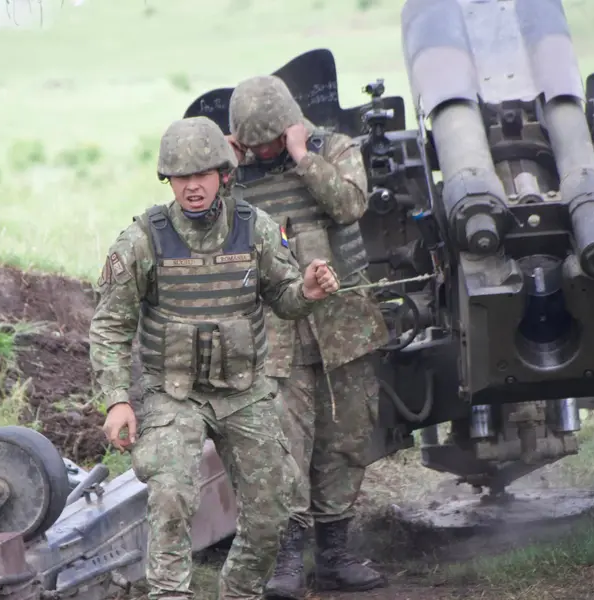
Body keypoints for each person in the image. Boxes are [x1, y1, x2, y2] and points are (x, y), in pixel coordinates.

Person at [89, 115, 341, 600]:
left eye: (201, 175)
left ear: (224, 176)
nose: (192, 187)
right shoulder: (144, 239)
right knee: (171, 496)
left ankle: (241, 591)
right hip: (173, 393)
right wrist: (117, 399)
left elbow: (285, 298)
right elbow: (110, 324)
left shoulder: (256, 230)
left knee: (275, 509)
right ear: (169, 182)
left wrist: (307, 290)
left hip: (245, 391)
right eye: (181, 178)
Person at [226, 75, 392, 597]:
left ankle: (337, 554)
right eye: (250, 144)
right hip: (275, 337)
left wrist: (302, 156)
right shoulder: (230, 174)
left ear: (291, 126)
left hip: (344, 328)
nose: (261, 152)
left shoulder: (333, 149)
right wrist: (226, 171)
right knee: (284, 451)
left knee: (345, 443)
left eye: (270, 141)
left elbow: (349, 206)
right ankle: (288, 562)